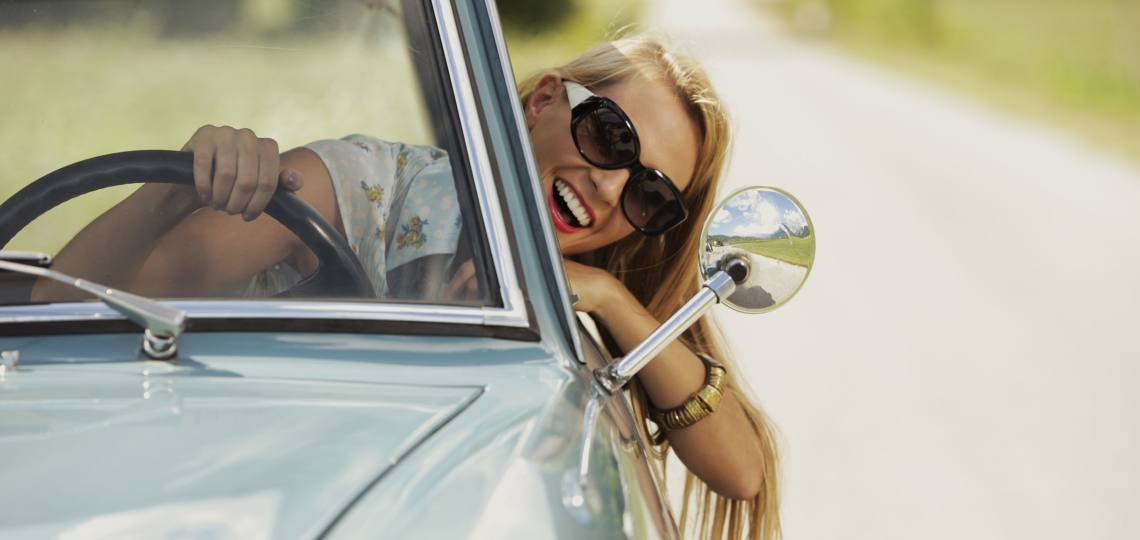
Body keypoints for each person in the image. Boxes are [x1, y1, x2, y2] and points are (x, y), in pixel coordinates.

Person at [37, 34, 782, 539]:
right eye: (610, 136)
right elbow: (65, 312)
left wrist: (614, 301)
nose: (611, 184)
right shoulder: (361, 187)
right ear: (543, 99)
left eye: (650, 194)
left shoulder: (594, 304)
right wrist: (176, 190)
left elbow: (743, 474)